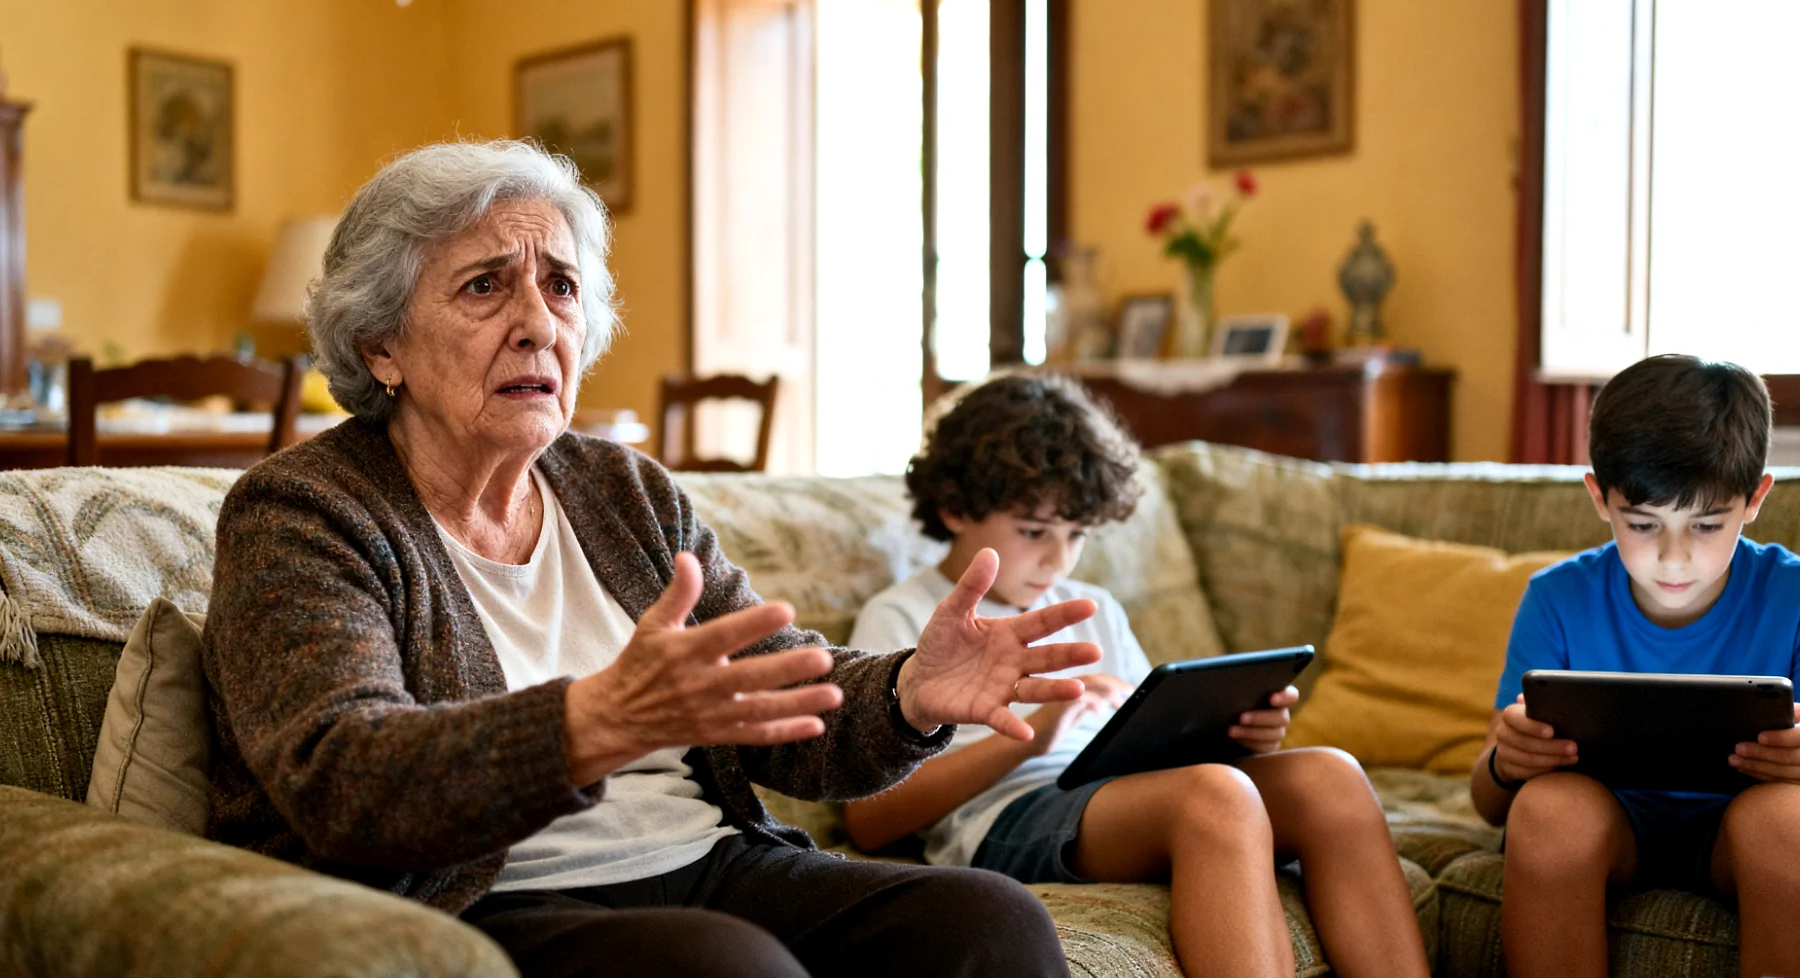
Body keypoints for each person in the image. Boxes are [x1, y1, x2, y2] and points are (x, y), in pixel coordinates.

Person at [201, 140, 1105, 978]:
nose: (536, 324)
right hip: (481, 899)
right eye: (484, 287)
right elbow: (342, 780)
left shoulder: (621, 489)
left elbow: (769, 690)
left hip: (706, 860)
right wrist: (587, 723)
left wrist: (909, 690)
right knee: (727, 970)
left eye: (560, 287)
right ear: (380, 345)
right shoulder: (305, 511)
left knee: (991, 923)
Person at [844, 374, 1430, 978]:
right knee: (1216, 796)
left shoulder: (1090, 606)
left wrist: (1235, 735)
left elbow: (1155, 750)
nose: (1058, 559)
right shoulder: (905, 615)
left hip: (1117, 795)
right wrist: (1035, 736)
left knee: (1330, 775)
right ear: (955, 506)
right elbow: (868, 818)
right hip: (1004, 815)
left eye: (1077, 535)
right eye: (1034, 531)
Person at [1472, 354, 1800, 978]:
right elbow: (1489, 804)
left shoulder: (1793, 597)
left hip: (1747, 830)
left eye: (1706, 525)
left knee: (1789, 823)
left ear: (1755, 498)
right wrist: (1505, 761)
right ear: (1600, 497)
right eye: (1643, 524)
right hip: (1610, 824)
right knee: (1546, 811)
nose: (1673, 560)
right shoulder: (1557, 598)